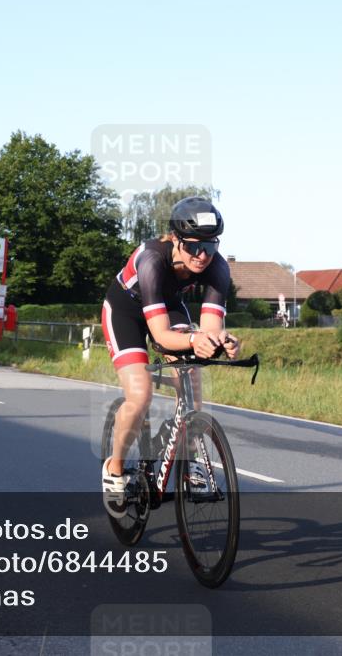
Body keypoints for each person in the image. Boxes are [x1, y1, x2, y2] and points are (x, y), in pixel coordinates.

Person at [100, 197, 239, 517]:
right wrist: (193, 339)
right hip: (126, 311)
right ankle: (115, 467)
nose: (203, 255)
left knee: (194, 387)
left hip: (169, 306)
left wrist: (222, 341)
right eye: (193, 247)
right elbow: (161, 336)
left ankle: (188, 460)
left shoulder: (218, 266)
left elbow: (210, 327)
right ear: (175, 240)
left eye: (210, 245)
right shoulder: (151, 259)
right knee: (140, 394)